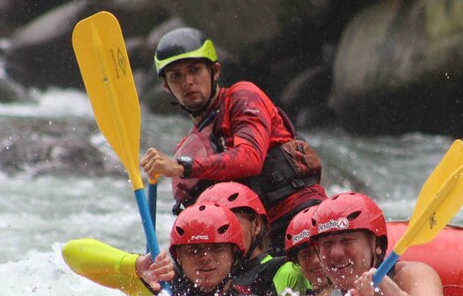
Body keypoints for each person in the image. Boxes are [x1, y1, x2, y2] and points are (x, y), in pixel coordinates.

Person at [140, 27, 327, 253]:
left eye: (195, 70)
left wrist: (181, 167)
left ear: (215, 71)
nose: (187, 81)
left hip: (300, 219)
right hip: (256, 241)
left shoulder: (243, 97)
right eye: (176, 76)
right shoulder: (190, 146)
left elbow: (250, 159)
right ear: (166, 87)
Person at [297, 192, 454, 296]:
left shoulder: (409, 276)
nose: (335, 253)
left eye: (346, 240)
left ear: (377, 245)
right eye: (327, 244)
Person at [195, 182, 308, 296]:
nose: (221, 236)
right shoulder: (201, 277)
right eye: (210, 228)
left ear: (256, 225)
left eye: (228, 225)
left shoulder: (285, 272)